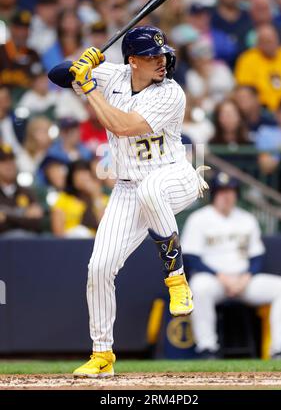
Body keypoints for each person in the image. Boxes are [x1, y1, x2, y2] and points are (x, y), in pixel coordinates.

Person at [48, 25, 209, 377]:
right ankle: (102, 354)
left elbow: (121, 125)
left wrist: (88, 86)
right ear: (133, 61)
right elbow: (56, 73)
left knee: (152, 188)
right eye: (152, 56)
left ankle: (176, 280)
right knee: (99, 268)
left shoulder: (171, 93)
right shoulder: (114, 75)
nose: (161, 61)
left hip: (175, 175)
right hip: (125, 188)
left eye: (162, 55)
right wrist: (82, 63)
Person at [181, 172, 281, 359]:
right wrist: (221, 276)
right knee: (199, 287)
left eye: (231, 191)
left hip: (243, 280)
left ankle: (280, 349)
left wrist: (246, 277)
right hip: (214, 280)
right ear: (214, 195)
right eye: (222, 192)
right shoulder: (199, 218)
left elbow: (257, 256)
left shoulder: (246, 218)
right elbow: (191, 257)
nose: (227, 196)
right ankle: (207, 348)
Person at [235, 24, 281, 111]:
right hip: (261, 109)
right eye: (265, 41)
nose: (270, 45)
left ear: (277, 39)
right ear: (258, 43)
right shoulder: (247, 59)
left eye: (272, 40)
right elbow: (245, 89)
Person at [51, 160, 106, 238]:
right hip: (71, 242)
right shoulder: (63, 199)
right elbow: (58, 233)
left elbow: (106, 226)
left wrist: (95, 196)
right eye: (79, 174)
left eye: (85, 174)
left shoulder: (101, 198)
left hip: (95, 241)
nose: (83, 178)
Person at [0, 143, 43, 237]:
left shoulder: (27, 191)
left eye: (11, 160)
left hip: (28, 243)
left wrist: (6, 217)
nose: (9, 165)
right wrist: (24, 215)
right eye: (3, 161)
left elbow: (37, 223)